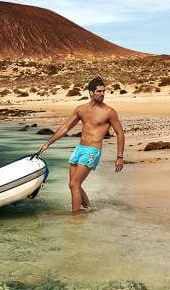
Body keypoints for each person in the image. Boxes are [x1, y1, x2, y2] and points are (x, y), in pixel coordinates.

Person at [37, 76, 125, 214]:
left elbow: (120, 133)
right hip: (79, 149)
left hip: (93, 150)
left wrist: (119, 156)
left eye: (103, 91)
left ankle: (75, 220)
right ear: (91, 92)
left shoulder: (109, 112)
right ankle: (88, 210)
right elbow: (66, 127)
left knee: (74, 184)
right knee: (73, 185)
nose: (102, 94)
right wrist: (48, 143)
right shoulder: (81, 109)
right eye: (99, 91)